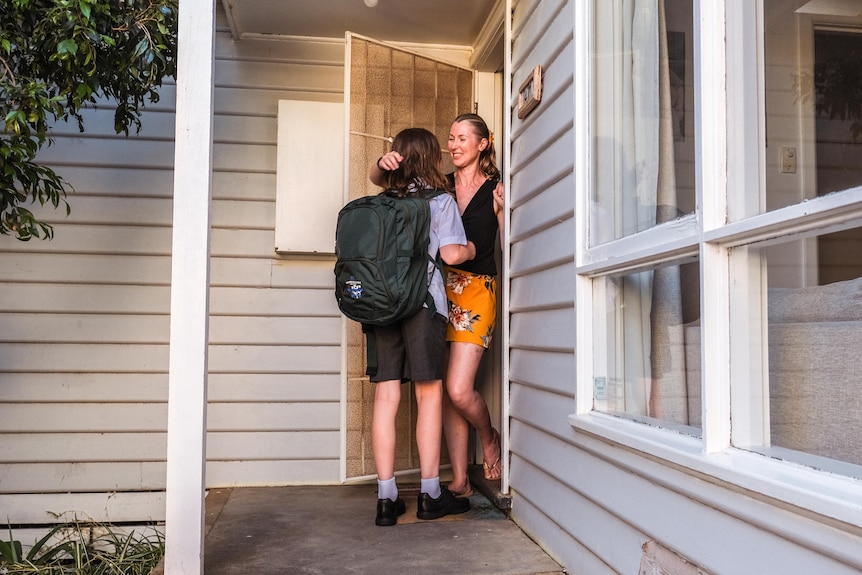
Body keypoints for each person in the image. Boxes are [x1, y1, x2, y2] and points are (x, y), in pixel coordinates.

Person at [373, 114, 505, 498]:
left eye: (463, 137)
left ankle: (489, 436)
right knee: (443, 387)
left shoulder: (497, 188)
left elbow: (513, 243)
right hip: (433, 293)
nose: (454, 144)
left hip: (476, 289)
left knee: (459, 389)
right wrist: (382, 164)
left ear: (483, 144)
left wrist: (501, 215)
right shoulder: (439, 187)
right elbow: (383, 180)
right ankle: (460, 477)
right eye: (451, 137)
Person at [366, 127, 476, 527]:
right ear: (432, 158)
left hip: (382, 306)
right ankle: (430, 494)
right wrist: (472, 248)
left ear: (396, 157)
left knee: (386, 397)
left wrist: (381, 167)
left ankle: (386, 498)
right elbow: (449, 253)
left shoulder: (382, 203)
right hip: (423, 306)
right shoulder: (440, 201)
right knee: (430, 395)